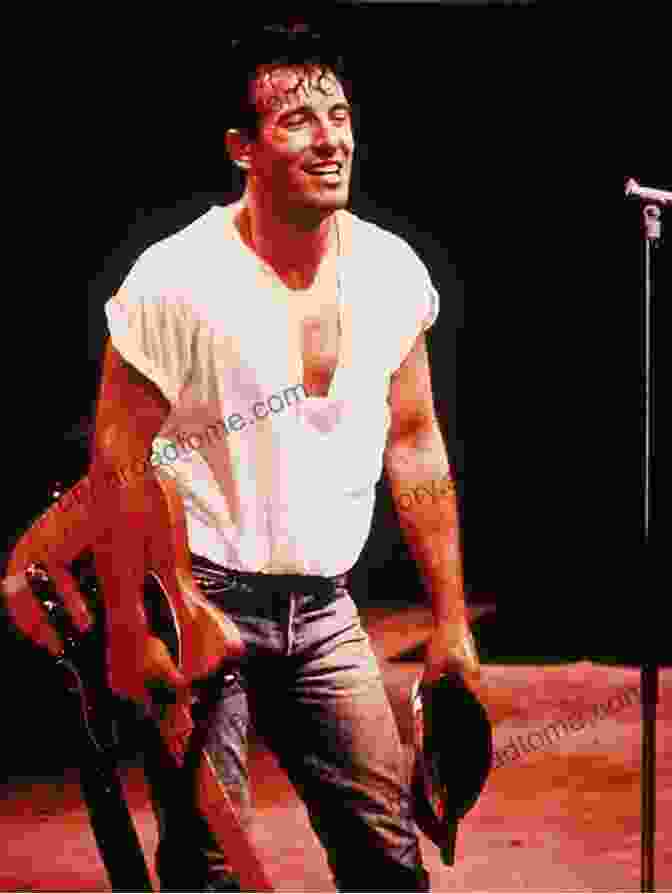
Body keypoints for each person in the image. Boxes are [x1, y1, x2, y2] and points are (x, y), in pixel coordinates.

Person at [5, 24, 480, 893]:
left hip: (325, 613)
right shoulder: (176, 278)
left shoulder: (390, 272)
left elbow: (415, 443)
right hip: (199, 598)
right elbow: (119, 460)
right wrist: (126, 629)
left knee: (389, 860)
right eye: (297, 121)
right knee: (210, 872)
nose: (330, 138)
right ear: (242, 149)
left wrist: (449, 617)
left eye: (339, 116)